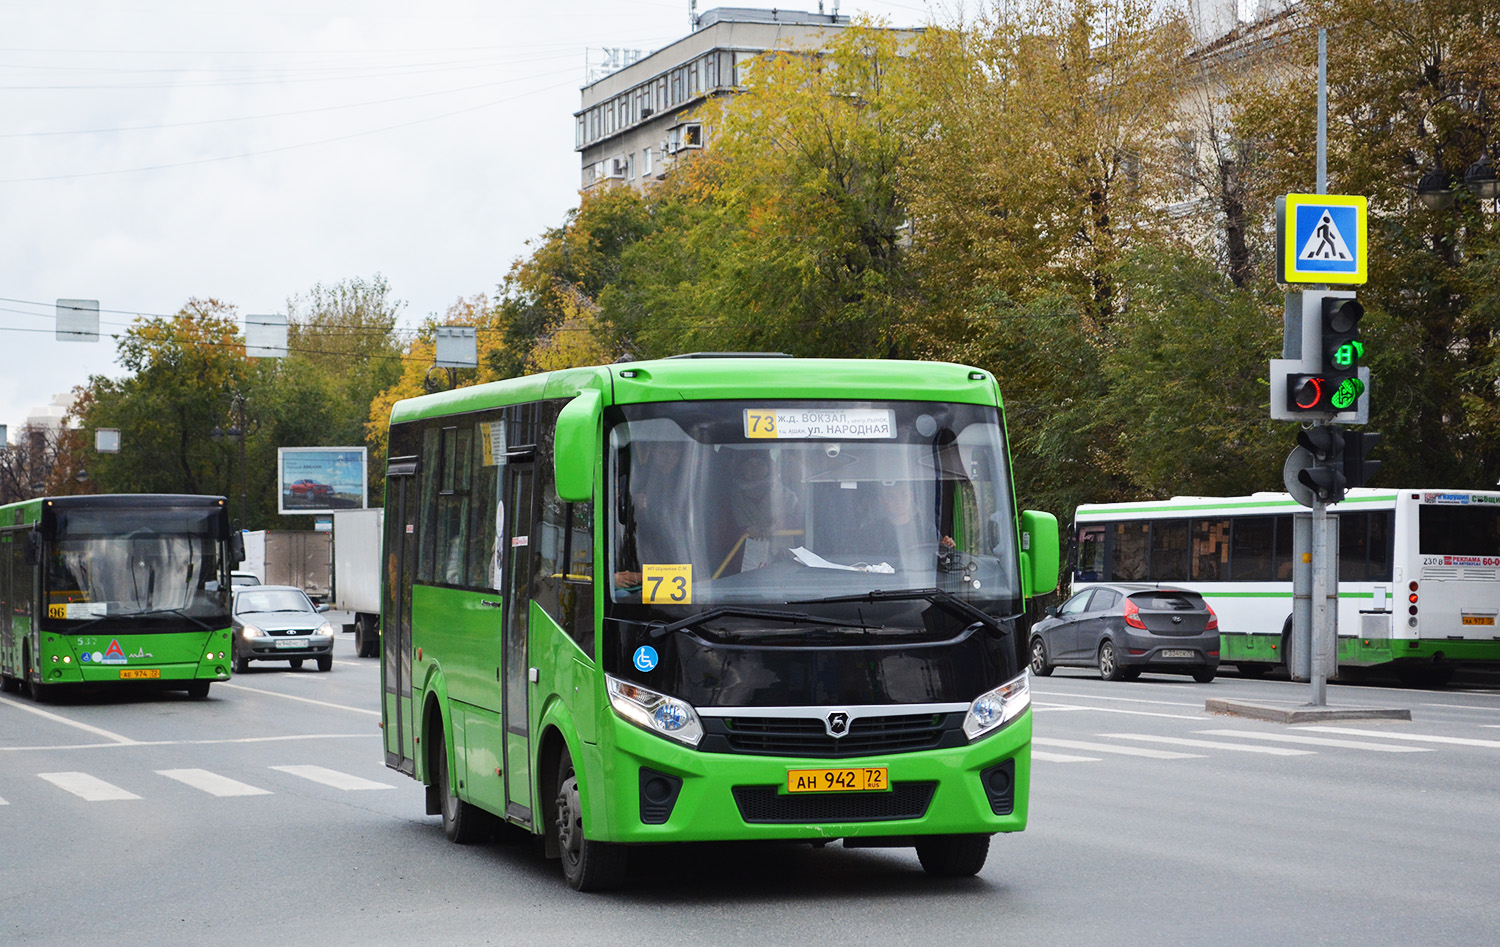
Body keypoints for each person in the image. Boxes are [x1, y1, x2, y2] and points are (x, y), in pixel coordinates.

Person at [713, 450, 802, 577]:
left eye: (760, 463)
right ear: (741, 469)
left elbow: (805, 530)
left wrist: (780, 526)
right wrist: (744, 532)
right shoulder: (729, 501)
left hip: (785, 570)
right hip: (738, 574)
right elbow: (719, 536)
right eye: (749, 464)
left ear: (768, 466)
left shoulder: (789, 498)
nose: (755, 469)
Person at [855, 481, 954, 570]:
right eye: (891, 496)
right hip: (881, 585)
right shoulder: (871, 533)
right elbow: (863, 564)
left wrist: (946, 545)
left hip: (920, 584)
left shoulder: (928, 530)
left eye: (903, 495)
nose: (898, 501)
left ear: (911, 496)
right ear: (881, 500)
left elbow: (941, 561)